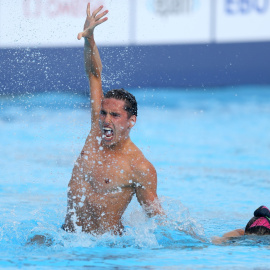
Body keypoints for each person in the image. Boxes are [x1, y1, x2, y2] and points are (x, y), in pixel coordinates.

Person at [62, 3, 164, 235]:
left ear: (132, 121)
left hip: (105, 250)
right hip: (66, 238)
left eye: (115, 115)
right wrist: (90, 40)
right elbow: (94, 74)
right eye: (103, 113)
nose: (106, 120)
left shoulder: (139, 167)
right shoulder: (95, 134)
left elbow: (158, 221)